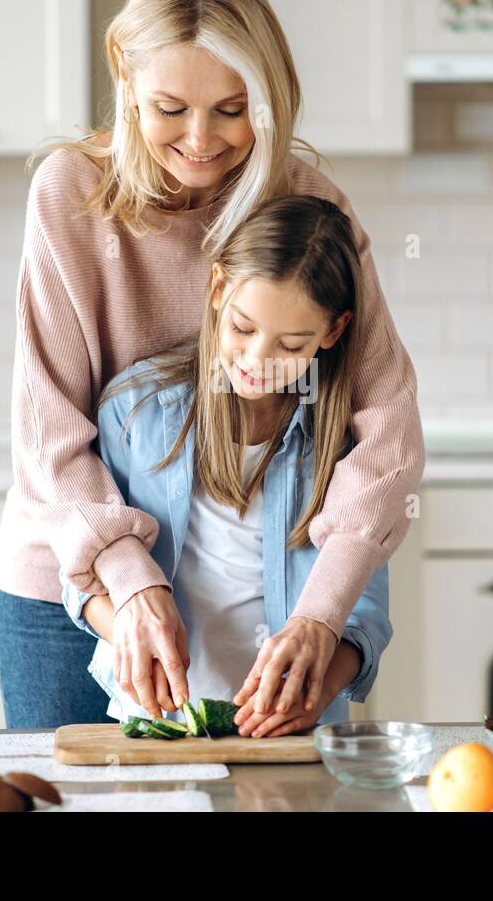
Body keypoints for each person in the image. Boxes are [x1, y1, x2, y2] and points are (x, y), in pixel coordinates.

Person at [0, 0, 422, 729]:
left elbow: (384, 427)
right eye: (170, 108)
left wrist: (321, 616)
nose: (202, 141)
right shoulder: (69, 195)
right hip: (71, 578)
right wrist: (130, 582)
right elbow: (51, 435)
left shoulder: (307, 202)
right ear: (125, 74)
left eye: (232, 109)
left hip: (247, 601)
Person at [63, 195, 391, 736]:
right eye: (243, 329)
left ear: (333, 333)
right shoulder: (135, 410)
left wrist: (317, 690)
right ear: (218, 291)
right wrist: (127, 622)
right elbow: (83, 580)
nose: (257, 362)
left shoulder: (346, 443)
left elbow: (366, 613)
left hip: (294, 734)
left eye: (291, 344)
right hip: (159, 723)